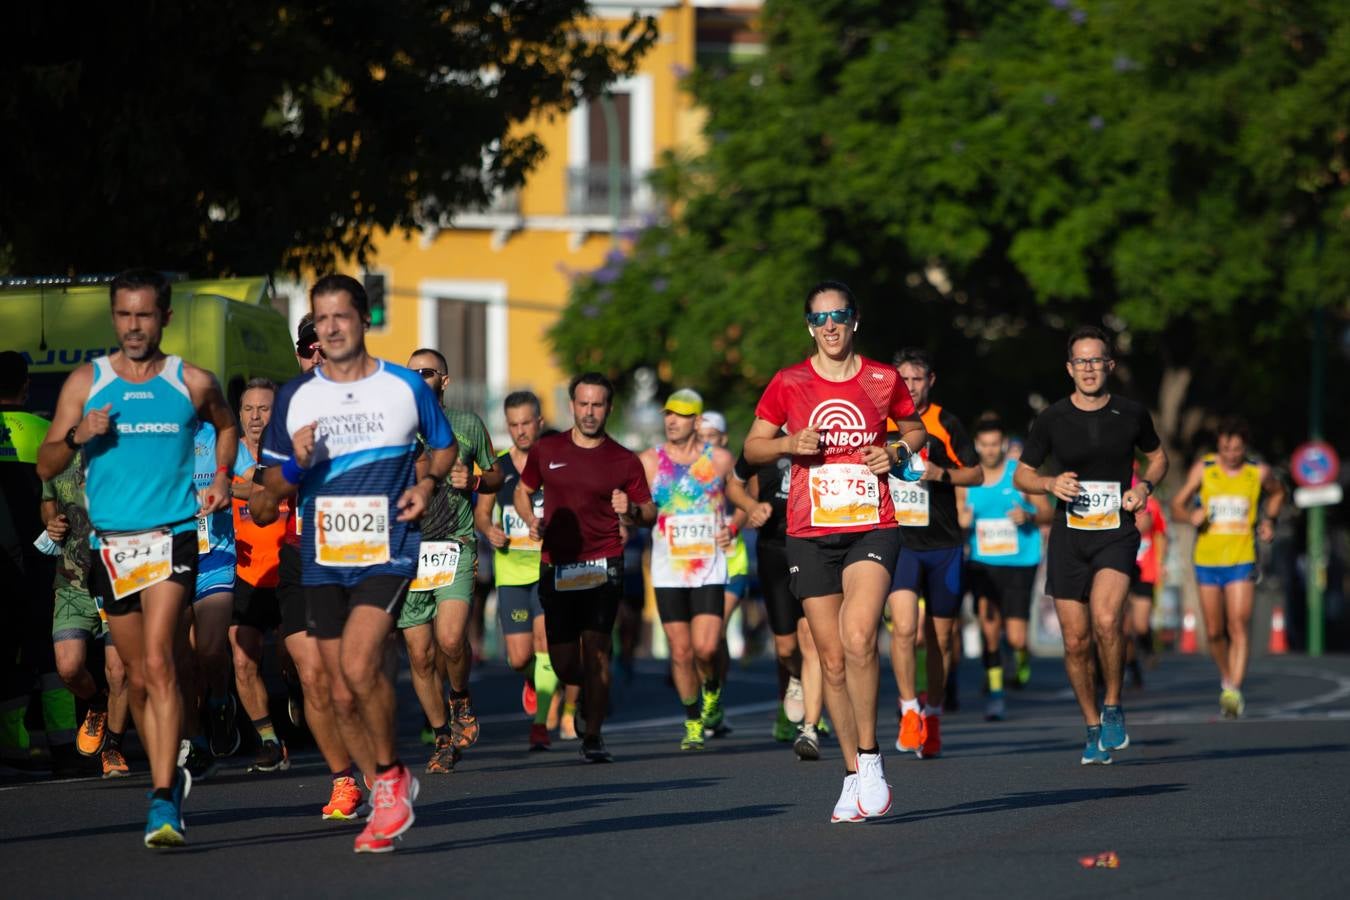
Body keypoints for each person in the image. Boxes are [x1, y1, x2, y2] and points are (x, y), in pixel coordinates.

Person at [253, 274, 455, 853]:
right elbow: (265, 502)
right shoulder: (295, 399)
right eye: (321, 318)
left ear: (365, 320)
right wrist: (294, 466)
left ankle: (387, 782)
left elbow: (442, 446)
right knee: (339, 691)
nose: (332, 328)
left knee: (362, 662)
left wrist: (428, 482)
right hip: (321, 559)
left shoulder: (402, 388)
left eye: (342, 316)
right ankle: (388, 782)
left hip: (387, 548)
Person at [37, 268, 238, 846]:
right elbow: (45, 467)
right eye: (123, 314)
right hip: (111, 547)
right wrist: (78, 435)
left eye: (144, 315)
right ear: (113, 316)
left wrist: (223, 477)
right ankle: (167, 780)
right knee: (138, 681)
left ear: (165, 318)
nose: (133, 326)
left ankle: (160, 801)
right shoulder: (87, 382)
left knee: (158, 660)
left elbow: (225, 426)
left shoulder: (191, 381)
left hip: (171, 536)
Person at [743, 280, 925, 822]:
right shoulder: (790, 382)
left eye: (840, 316)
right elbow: (752, 446)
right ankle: (851, 772)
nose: (831, 326)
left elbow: (914, 432)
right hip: (808, 530)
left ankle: (871, 757)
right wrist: (786, 444)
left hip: (872, 524)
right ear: (809, 326)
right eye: (821, 319)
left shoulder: (881, 379)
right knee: (831, 659)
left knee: (859, 635)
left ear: (855, 320)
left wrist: (893, 449)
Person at [1014, 325, 1167, 765]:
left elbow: (1158, 457)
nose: (1089, 368)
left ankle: (1114, 703)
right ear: (1069, 368)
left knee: (1105, 618)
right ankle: (1091, 725)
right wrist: (1048, 482)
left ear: (1109, 365)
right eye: (1081, 361)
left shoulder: (1131, 413)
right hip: (1069, 539)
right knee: (1076, 641)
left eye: (1096, 360)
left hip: (1116, 534)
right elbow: (1022, 474)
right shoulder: (1052, 418)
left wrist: (1145, 489)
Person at [248, 316, 369, 822]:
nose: (316, 356)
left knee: (352, 677)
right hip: (301, 553)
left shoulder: (369, 402)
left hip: (357, 552)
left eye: (327, 346)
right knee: (313, 675)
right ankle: (344, 780)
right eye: (307, 348)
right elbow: (260, 506)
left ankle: (380, 772)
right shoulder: (286, 414)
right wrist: (285, 476)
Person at [514, 372, 655, 763]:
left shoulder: (624, 460)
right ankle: (585, 690)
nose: (590, 412)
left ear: (608, 408)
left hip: (604, 563)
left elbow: (650, 512)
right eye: (583, 404)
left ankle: (593, 734)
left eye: (597, 405)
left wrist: (634, 511)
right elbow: (523, 491)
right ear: (572, 405)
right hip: (557, 564)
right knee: (564, 661)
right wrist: (531, 520)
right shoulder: (547, 450)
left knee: (596, 651)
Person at [397, 348, 501, 773]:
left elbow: (497, 476)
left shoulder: (467, 425)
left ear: (445, 380)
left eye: (428, 372)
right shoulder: (394, 429)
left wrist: (475, 480)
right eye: (412, 373)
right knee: (420, 655)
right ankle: (442, 737)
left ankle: (459, 698)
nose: (419, 378)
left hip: (454, 545)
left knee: (452, 639)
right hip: (407, 550)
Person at [886, 348, 981, 758]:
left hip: (942, 544)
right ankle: (909, 711)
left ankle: (934, 715)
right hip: (898, 541)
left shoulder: (945, 422)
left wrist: (942, 473)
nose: (910, 385)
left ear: (931, 381)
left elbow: (975, 473)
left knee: (940, 638)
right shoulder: (881, 422)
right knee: (904, 628)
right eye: (903, 379)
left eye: (917, 379)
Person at [639, 389, 736, 751]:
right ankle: (693, 720)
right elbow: (641, 508)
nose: (672, 421)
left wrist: (734, 525)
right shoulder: (650, 461)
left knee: (706, 648)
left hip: (709, 566)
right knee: (680, 653)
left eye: (680, 415)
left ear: (697, 421)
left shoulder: (720, 460)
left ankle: (711, 688)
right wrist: (630, 514)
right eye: (668, 414)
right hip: (668, 569)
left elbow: (744, 499)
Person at [1170, 417, 1284, 718]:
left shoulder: (1256, 472)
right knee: (1215, 631)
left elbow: (1278, 493)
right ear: (1218, 446)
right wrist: (1190, 515)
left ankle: (1234, 689)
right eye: (1224, 449)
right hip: (1207, 560)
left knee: (1238, 623)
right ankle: (1226, 677)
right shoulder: (1204, 469)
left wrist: (1269, 520)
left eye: (1236, 449)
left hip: (1241, 557)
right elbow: (1177, 506)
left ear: (1244, 447)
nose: (1230, 455)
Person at [728, 435, 826, 760]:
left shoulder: (822, 435)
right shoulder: (760, 443)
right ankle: (797, 677)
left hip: (813, 547)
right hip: (773, 550)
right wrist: (752, 508)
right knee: (786, 646)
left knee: (811, 639)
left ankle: (810, 728)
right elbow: (734, 485)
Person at [0, 351, 73, 776]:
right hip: (42, 559)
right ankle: (65, 745)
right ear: (26, 386)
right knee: (49, 652)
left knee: (7, 653)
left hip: (2, 568)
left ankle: (12, 743)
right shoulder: (47, 435)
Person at [41, 447, 132, 778]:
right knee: (68, 667)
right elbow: (47, 503)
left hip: (118, 580)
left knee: (119, 671)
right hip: (72, 583)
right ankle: (97, 704)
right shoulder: (58, 459)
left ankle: (112, 749)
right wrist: (50, 524)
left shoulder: (124, 453)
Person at [474, 390, 557, 750]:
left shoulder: (555, 463)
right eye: (513, 425)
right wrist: (489, 529)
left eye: (527, 423)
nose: (521, 431)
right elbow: (481, 513)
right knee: (519, 657)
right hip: (511, 575)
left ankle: (540, 726)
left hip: (547, 570)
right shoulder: (500, 467)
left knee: (546, 645)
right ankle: (530, 680)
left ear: (539, 422)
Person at [958, 416, 1052, 721]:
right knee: (989, 630)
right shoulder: (968, 476)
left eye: (994, 444)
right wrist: (962, 520)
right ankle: (996, 696)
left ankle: (1021, 661)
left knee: (1016, 638)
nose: (989, 450)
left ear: (1004, 444)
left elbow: (1047, 513)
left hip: (1020, 562)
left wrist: (1028, 515)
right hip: (982, 563)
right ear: (977, 445)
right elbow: (959, 516)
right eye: (983, 444)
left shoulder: (1020, 474)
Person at [227, 378, 294, 773]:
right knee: (242, 657)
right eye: (249, 410)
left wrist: (239, 488)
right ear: (239, 415)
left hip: (288, 570)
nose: (256, 417)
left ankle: (297, 694)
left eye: (265, 409)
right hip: (243, 571)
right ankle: (269, 741)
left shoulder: (289, 454)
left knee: (293, 657)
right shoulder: (225, 457)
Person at [179, 415, 240, 776]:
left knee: (209, 650)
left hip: (216, 554)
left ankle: (220, 700)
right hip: (171, 557)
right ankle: (196, 739)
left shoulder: (218, 435)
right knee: (179, 661)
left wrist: (226, 486)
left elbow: (249, 481)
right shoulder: (158, 434)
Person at [697, 410, 749, 735]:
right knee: (704, 641)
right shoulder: (685, 470)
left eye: (710, 436)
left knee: (716, 632)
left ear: (723, 439)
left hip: (732, 560)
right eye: (699, 436)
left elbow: (747, 503)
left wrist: (731, 526)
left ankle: (713, 697)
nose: (704, 443)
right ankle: (711, 690)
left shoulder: (729, 465)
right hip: (697, 563)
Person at [1126, 473, 1168, 688]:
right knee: (1123, 627)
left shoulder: (1152, 505)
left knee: (1141, 625)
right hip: (1120, 569)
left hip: (1145, 569)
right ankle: (1132, 668)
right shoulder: (1113, 502)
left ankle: (1147, 647)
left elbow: (1161, 532)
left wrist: (1163, 563)